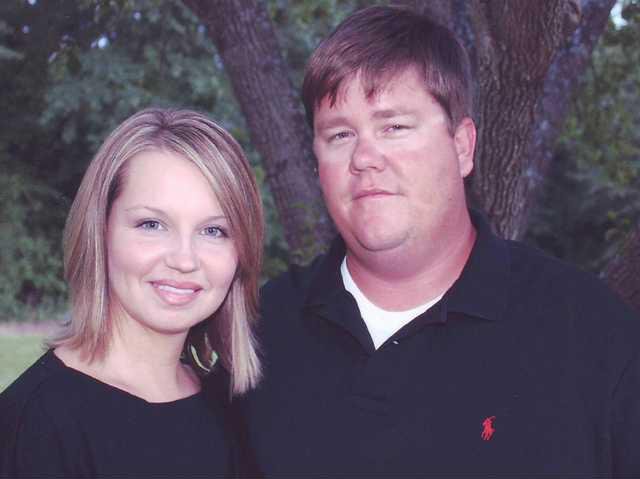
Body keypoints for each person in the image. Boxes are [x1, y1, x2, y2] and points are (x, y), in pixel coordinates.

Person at [239, 5, 640, 476]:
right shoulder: (257, 340)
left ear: (462, 146)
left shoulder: (593, 337)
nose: (364, 157)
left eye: (394, 127)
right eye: (340, 134)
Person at [0, 108, 263, 476]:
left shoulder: (233, 409)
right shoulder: (37, 424)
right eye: (152, 224)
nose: (184, 260)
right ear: (100, 231)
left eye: (213, 231)